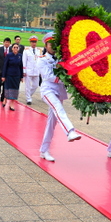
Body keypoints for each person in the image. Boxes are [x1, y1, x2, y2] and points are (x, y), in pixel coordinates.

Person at [38, 32, 81, 162]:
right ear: (46, 44)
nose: (53, 46)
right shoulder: (42, 59)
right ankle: (70, 131)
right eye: (51, 44)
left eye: (55, 44)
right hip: (48, 90)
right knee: (58, 108)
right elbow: (48, 76)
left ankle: (44, 150)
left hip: (59, 91)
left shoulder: (61, 58)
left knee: (51, 123)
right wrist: (65, 79)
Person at [1, 43, 24, 111]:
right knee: (8, 88)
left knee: (15, 89)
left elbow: (21, 67)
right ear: (12, 48)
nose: (16, 49)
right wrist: (3, 76)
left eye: (17, 47)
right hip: (9, 75)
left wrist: (21, 76)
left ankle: (12, 104)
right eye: (14, 47)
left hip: (17, 75)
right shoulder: (9, 55)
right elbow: (5, 66)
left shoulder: (20, 56)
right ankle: (5, 99)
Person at [22, 35, 42, 105]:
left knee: (36, 85)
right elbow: (24, 61)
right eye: (32, 42)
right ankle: (28, 99)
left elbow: (40, 61)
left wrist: (40, 71)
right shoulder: (26, 51)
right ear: (30, 42)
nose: (34, 43)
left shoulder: (39, 51)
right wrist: (24, 71)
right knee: (27, 86)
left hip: (36, 71)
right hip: (28, 70)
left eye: (35, 42)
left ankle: (28, 95)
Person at [0, 38, 11, 102]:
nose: (7, 43)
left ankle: (3, 96)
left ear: (10, 43)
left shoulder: (11, 50)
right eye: (6, 42)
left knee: (5, 84)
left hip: (7, 70)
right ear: (3, 42)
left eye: (8, 42)